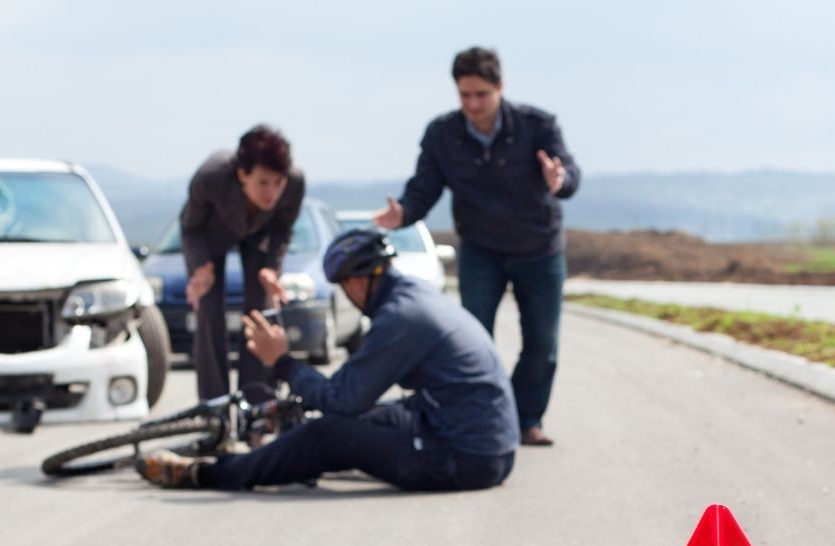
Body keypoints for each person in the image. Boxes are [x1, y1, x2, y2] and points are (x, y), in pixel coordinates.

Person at [136, 230, 519, 492]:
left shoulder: (401, 319)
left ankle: (207, 474)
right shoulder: (413, 297)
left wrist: (282, 362)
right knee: (351, 420)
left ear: (357, 282)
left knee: (327, 434)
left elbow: (343, 398)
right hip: (480, 440)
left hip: (466, 458)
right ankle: (267, 456)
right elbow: (355, 396)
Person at [374, 46, 580, 447]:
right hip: (481, 250)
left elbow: (570, 173)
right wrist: (404, 214)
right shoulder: (442, 134)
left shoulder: (537, 125)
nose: (472, 104)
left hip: (539, 248)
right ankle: (481, 417)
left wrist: (560, 180)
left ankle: (525, 420)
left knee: (542, 343)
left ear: (500, 87)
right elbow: (423, 190)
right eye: (464, 95)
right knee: (472, 341)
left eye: (481, 95)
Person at [180, 125, 305, 402]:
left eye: (278, 182)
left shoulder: (294, 183)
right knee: (209, 309)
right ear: (241, 175)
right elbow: (191, 228)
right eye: (263, 182)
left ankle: (258, 405)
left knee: (259, 312)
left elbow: (283, 230)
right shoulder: (212, 176)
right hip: (213, 236)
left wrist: (272, 269)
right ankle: (216, 410)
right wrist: (200, 267)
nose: (272, 192)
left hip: (259, 237)